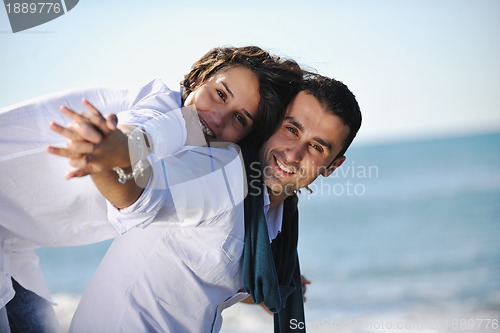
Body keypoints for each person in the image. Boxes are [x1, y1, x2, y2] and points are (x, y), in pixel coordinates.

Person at [0, 46, 303, 332]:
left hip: (14, 245)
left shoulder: (205, 160)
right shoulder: (163, 106)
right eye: (220, 94)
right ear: (200, 78)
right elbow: (143, 130)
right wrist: (121, 146)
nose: (217, 116)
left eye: (240, 118)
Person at [51, 73, 362, 332]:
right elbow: (138, 195)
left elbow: (216, 267)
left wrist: (273, 287)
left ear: (332, 166)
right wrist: (105, 157)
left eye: (317, 148)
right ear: (272, 124)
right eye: (291, 129)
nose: (294, 154)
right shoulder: (222, 171)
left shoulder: (277, 214)